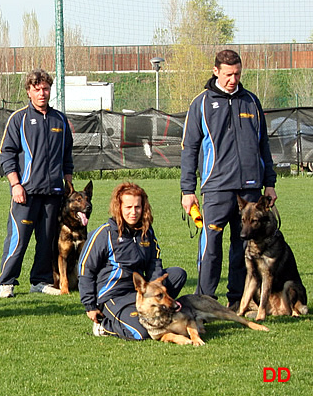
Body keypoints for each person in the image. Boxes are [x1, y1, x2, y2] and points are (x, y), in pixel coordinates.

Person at [181, 49, 277, 309]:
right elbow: (189, 148)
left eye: (237, 74)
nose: (233, 79)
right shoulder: (200, 103)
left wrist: (270, 183)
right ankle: (205, 300)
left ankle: (237, 300)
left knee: (242, 246)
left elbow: (264, 145)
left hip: (251, 190)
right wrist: (187, 190)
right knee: (211, 245)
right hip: (216, 187)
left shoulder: (252, 102)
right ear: (216, 72)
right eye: (228, 74)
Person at [0, 69, 74, 298]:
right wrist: (15, 184)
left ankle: (40, 281)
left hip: (54, 192)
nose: (42, 93)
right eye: (37, 89)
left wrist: (67, 185)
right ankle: (7, 281)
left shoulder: (60, 120)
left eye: (46, 89)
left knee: (47, 241)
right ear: (29, 92)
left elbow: (67, 155)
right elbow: (6, 153)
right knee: (18, 238)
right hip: (26, 192)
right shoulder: (18, 119)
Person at [78, 182, 187, 340]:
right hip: (113, 295)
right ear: (119, 208)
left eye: (137, 207)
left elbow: (154, 262)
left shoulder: (146, 231)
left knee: (177, 274)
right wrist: (90, 306)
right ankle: (104, 325)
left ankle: (159, 311)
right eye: (128, 207)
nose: (133, 212)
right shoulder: (105, 233)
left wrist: (156, 285)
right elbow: (85, 269)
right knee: (140, 333)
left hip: (139, 291)